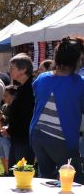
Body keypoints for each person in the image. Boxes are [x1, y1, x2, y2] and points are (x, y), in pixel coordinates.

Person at [30, 37, 84, 180]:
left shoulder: (42, 78)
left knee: (46, 180)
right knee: (75, 182)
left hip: (37, 136)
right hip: (62, 139)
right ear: (78, 59)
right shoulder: (79, 83)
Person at [4, 53, 35, 167]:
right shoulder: (22, 88)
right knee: (15, 172)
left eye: (12, 68)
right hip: (17, 137)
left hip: (24, 139)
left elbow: (26, 116)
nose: (10, 71)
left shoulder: (30, 89)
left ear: (23, 69)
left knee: (22, 173)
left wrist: (11, 129)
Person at [0, 85, 16, 175]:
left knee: (8, 156)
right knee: (1, 155)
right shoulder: (4, 106)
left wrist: (1, 119)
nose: (4, 98)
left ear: (13, 96)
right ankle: (6, 172)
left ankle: (9, 173)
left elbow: (10, 122)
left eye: (6, 95)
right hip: (1, 135)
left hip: (8, 137)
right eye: (3, 96)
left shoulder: (15, 108)